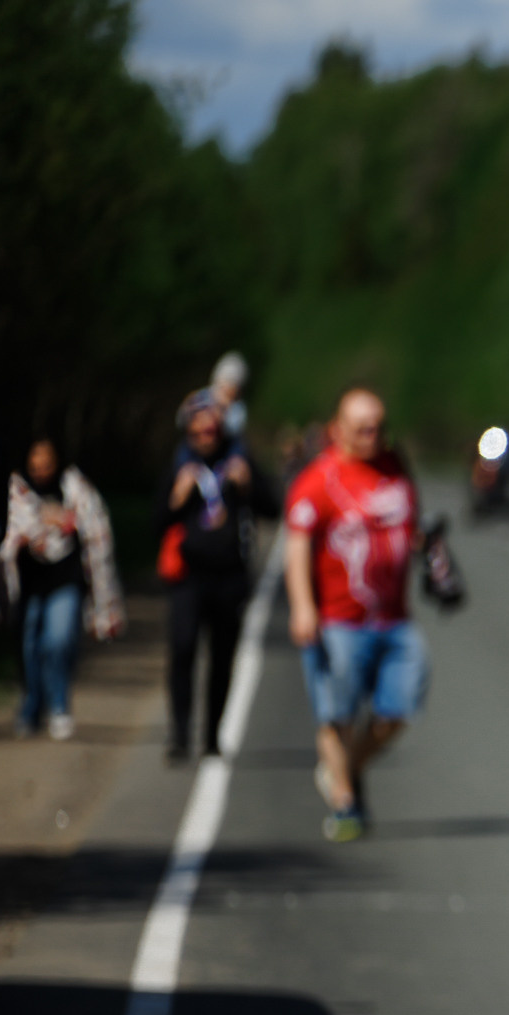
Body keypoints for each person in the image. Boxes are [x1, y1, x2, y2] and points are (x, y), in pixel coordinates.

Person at [284, 388, 428, 842]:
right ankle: (345, 804)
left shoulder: (394, 468)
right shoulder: (319, 480)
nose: (373, 437)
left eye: (379, 428)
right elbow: (297, 545)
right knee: (336, 715)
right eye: (363, 429)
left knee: (397, 710)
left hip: (394, 618)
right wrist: (304, 607)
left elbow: (410, 526)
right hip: (339, 619)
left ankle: (344, 768)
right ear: (338, 429)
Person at [164, 390, 276, 761]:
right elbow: (155, 524)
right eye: (198, 431)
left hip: (230, 576)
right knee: (182, 650)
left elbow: (274, 508)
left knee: (222, 657)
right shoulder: (181, 465)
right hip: (188, 577)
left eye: (212, 430)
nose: (206, 436)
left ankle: (212, 734)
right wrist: (176, 499)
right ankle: (180, 734)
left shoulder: (240, 459)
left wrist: (249, 487)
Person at [0, 440, 123, 739]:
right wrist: (30, 537)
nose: (41, 473)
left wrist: (70, 523)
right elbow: (5, 536)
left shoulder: (76, 489)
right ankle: (32, 706)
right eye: (35, 467)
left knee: (58, 640)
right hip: (27, 585)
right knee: (30, 647)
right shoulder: (16, 493)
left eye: (47, 466)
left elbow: (97, 533)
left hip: (65, 580)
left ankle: (59, 706)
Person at [210, 352, 250, 441]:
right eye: (223, 384)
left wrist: (222, 414)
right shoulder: (205, 396)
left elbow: (235, 429)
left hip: (226, 445)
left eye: (231, 385)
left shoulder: (237, 408)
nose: (226, 389)